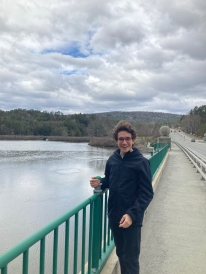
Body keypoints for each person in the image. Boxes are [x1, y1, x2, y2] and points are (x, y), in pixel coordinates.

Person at [90, 120, 154, 274]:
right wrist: (99, 183)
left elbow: (147, 193)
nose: (124, 142)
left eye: (127, 139)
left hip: (131, 219)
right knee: (121, 254)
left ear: (133, 140)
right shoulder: (112, 160)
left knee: (130, 259)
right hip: (115, 216)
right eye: (120, 139)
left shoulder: (141, 163)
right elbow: (110, 180)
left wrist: (131, 215)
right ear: (116, 140)